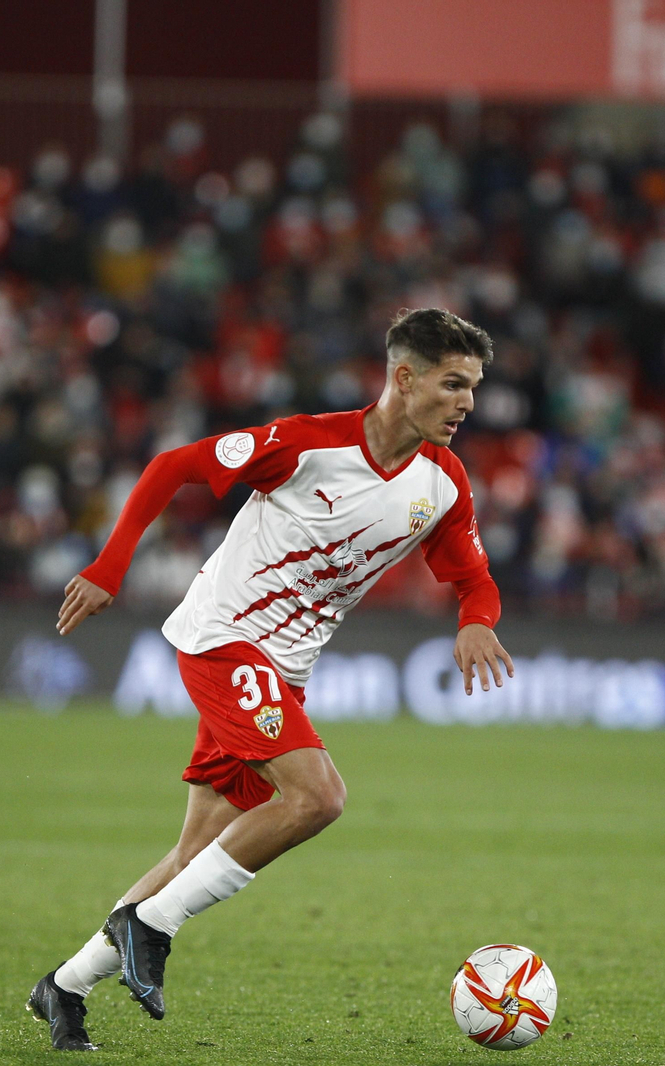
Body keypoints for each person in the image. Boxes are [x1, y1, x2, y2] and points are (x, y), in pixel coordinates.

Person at [26, 307, 515, 1050]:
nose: (467, 404)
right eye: (452, 384)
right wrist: (109, 566)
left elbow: (472, 575)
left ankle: (63, 986)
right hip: (223, 639)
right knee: (318, 796)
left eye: (473, 388)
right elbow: (174, 466)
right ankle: (148, 925)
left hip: (283, 672)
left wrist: (476, 618)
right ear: (404, 378)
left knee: (198, 850)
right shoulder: (309, 444)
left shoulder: (442, 485)